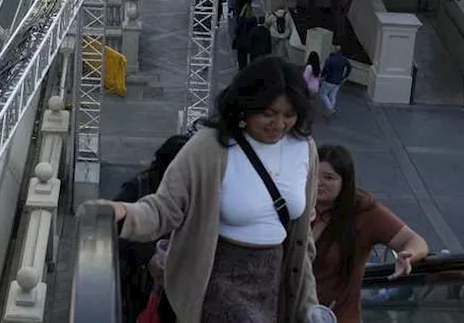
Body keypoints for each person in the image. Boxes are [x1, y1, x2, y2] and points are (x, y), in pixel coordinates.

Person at [106, 56, 323, 323]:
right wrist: (122, 213)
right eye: (268, 113)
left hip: (274, 280)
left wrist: (308, 299)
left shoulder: (304, 147)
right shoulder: (209, 146)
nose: (278, 124)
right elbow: (165, 208)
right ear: (245, 106)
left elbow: (305, 231)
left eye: (289, 115)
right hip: (216, 276)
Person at [311, 145, 429, 322]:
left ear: (345, 182)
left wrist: (408, 256)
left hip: (337, 315)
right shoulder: (297, 204)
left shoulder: (364, 212)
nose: (318, 182)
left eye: (328, 178)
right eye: (314, 175)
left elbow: (414, 240)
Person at [115, 136, 190, 322]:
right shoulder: (139, 187)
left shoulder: (198, 191)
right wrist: (149, 256)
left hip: (182, 286)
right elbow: (114, 232)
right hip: (139, 284)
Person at [318, 46, 351, 115]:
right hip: (338, 81)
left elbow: (325, 70)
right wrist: (345, 77)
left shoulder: (329, 60)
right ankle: (331, 108)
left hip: (329, 80)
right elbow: (349, 67)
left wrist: (321, 77)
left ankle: (330, 108)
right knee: (333, 95)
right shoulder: (344, 59)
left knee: (323, 94)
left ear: (334, 51)